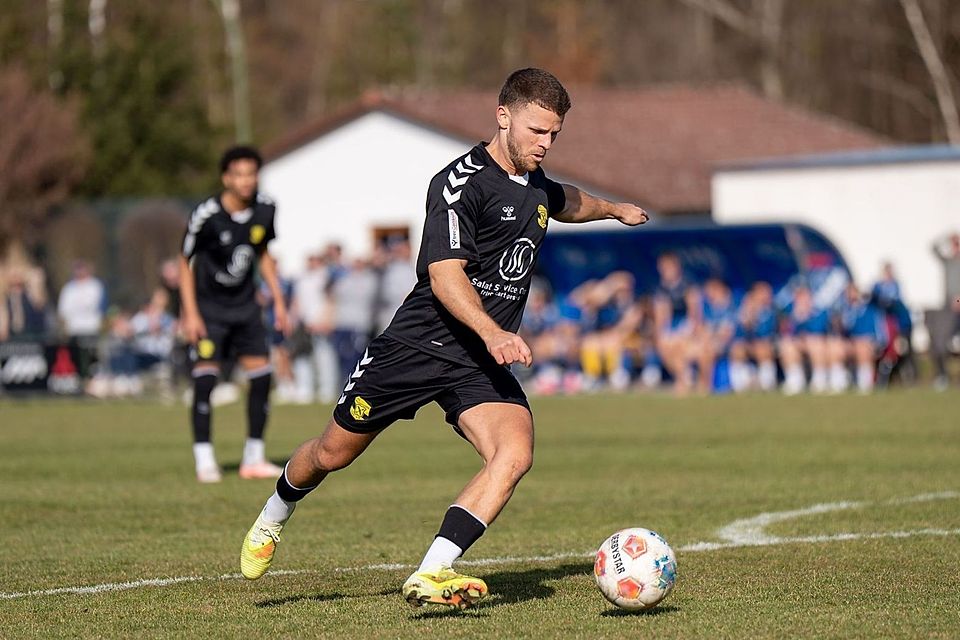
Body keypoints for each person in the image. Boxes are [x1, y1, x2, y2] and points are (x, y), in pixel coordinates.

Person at [238, 68, 648, 609]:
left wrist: (614, 209)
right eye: (536, 131)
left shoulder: (535, 182)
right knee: (332, 453)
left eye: (554, 134)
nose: (545, 144)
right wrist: (493, 331)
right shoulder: (459, 183)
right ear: (502, 116)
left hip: (477, 359)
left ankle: (433, 570)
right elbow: (445, 275)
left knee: (514, 453)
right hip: (418, 345)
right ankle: (275, 512)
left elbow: (566, 201)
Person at [179, 145, 288, 483]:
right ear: (226, 178)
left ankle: (253, 458)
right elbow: (185, 262)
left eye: (251, 174)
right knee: (206, 380)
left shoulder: (266, 208)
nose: (246, 181)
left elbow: (263, 253)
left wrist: (279, 300)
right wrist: (190, 313)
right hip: (209, 310)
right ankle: (204, 460)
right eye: (238, 174)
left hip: (246, 308)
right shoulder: (206, 214)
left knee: (262, 379)